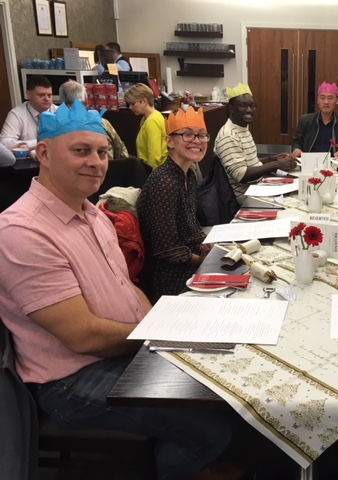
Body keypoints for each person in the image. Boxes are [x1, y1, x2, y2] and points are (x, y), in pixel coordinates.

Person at [0, 100, 242, 480]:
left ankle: (188, 459)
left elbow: (126, 286)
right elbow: (83, 336)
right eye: (81, 151)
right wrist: (160, 333)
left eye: (101, 152)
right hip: (71, 380)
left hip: (126, 347)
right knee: (210, 428)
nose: (95, 162)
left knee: (225, 381)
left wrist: (159, 327)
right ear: (44, 153)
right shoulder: (23, 232)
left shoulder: (91, 212)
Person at [137, 106, 212, 302]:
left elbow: (189, 225)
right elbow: (166, 248)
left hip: (188, 261)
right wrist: (201, 261)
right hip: (171, 278)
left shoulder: (188, 174)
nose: (197, 141)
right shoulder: (164, 182)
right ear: (169, 141)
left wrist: (205, 245)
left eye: (202, 136)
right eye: (188, 135)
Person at [215, 83, 297, 202]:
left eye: (253, 106)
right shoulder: (228, 136)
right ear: (231, 109)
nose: (249, 110)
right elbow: (241, 175)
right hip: (245, 195)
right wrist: (276, 165)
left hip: (258, 186)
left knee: (299, 189)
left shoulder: (242, 128)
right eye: (243, 106)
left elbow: (250, 165)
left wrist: (273, 159)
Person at [58, 80, 129, 160]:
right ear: (86, 100)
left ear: (61, 100)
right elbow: (122, 153)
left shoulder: (53, 125)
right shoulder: (102, 123)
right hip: (105, 170)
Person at [292, 82, 338, 159]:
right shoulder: (305, 120)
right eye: (322, 98)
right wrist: (297, 149)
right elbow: (297, 142)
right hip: (308, 162)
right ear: (318, 100)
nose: (326, 102)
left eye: (330, 98)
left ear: (337, 100)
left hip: (333, 162)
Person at [0, 75, 57, 150]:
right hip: (27, 160)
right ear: (29, 94)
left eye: (49, 95)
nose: (47, 99)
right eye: (41, 95)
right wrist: (38, 142)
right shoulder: (16, 114)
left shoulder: (58, 111)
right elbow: (4, 142)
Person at [124, 83, 168, 169]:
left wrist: (150, 179)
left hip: (153, 173)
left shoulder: (152, 121)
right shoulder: (154, 116)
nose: (130, 107)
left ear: (144, 101)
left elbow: (154, 157)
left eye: (133, 104)